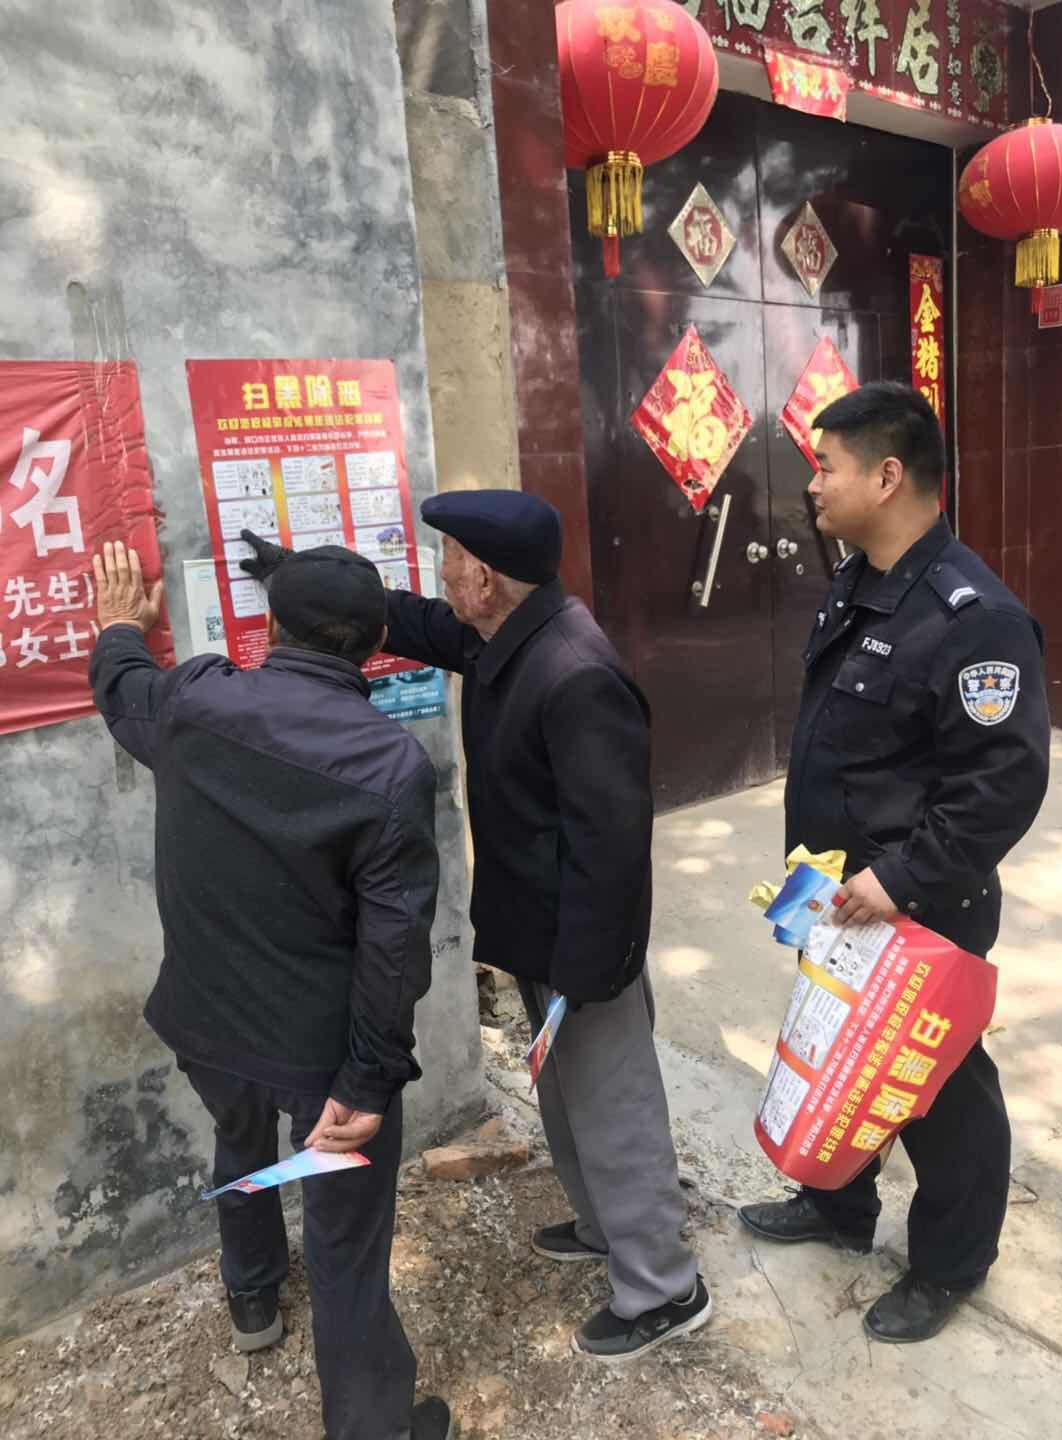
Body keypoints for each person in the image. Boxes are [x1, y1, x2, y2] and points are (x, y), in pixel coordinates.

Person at [242, 491, 711, 1364]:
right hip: (544, 933)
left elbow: (614, 844)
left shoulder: (574, 672)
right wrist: (294, 578)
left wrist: (589, 972)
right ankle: (605, 1228)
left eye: (452, 557)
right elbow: (413, 622)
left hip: (585, 950)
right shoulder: (502, 634)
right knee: (566, 1097)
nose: (443, 571)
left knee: (616, 1109)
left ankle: (665, 1287)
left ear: (485, 578)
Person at [89, 540, 450, 1440]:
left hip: (206, 1022)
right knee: (345, 1241)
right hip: (321, 1057)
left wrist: (118, 627)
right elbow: (393, 948)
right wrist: (370, 1079)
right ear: (376, 644)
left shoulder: (197, 701)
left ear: (269, 627)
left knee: (239, 1146)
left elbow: (123, 692)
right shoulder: (389, 766)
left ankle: (252, 1297)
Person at [738, 383, 1051, 1343]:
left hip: (917, 901)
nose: (812, 484)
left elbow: (1001, 784)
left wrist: (902, 879)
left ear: (886, 475)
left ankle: (950, 1264)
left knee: (938, 1088)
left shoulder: (974, 618)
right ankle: (838, 1205)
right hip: (838, 891)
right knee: (839, 1051)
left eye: (825, 466)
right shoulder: (861, 580)